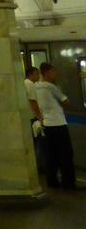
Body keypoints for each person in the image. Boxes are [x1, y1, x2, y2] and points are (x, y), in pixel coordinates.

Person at [36, 62, 80, 191]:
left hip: (48, 124)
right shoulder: (51, 87)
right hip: (58, 123)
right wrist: (61, 104)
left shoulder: (37, 86)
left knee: (52, 154)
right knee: (66, 154)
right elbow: (66, 102)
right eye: (53, 71)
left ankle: (52, 181)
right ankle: (69, 183)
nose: (55, 73)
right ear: (47, 72)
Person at [25, 66, 45, 172]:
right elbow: (33, 102)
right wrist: (39, 116)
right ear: (30, 75)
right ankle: (39, 165)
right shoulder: (30, 85)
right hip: (32, 117)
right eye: (36, 74)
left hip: (27, 117)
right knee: (38, 142)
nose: (38, 76)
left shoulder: (24, 83)